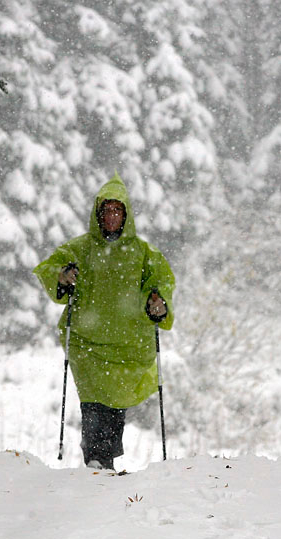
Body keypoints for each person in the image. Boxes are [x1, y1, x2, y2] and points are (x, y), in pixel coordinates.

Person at [34, 172, 175, 470]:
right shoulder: (81, 249)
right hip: (88, 346)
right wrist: (62, 275)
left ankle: (103, 457)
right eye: (106, 210)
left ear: (126, 215)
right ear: (98, 214)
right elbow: (51, 267)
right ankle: (97, 458)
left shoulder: (142, 253)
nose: (111, 216)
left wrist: (158, 301)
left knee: (114, 404)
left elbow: (161, 280)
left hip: (127, 346)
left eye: (117, 211)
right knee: (93, 402)